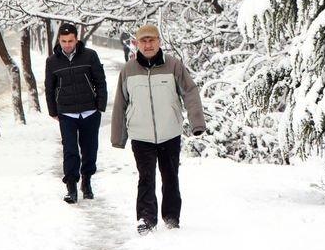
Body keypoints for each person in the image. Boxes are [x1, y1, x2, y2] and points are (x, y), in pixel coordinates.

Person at [111, 23, 206, 234]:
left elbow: (190, 92)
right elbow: (121, 103)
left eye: (151, 40)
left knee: (170, 176)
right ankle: (146, 219)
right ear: (136, 44)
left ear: (159, 42)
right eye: (143, 41)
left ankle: (171, 217)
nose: (148, 45)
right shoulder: (128, 70)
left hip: (169, 132)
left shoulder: (173, 66)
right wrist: (119, 137)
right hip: (140, 134)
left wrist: (197, 122)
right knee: (146, 177)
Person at [45, 23, 108, 204]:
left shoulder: (90, 56)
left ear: (76, 39)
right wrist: (53, 112)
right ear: (59, 40)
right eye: (63, 41)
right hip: (67, 113)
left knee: (90, 149)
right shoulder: (52, 62)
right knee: (70, 150)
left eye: (70, 41)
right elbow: (49, 88)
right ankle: (71, 185)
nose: (67, 45)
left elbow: (100, 81)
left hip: (90, 112)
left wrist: (100, 107)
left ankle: (86, 180)